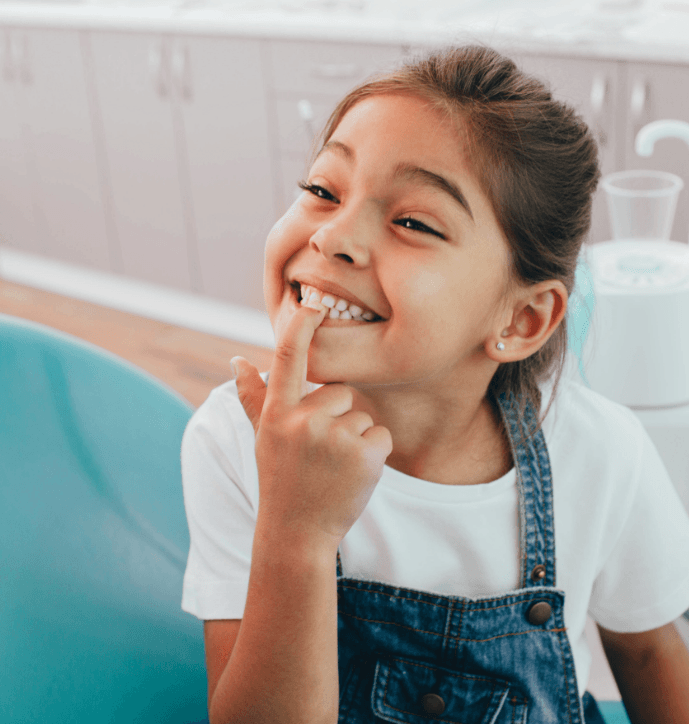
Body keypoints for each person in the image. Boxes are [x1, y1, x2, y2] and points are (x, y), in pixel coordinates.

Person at [180, 45, 689, 724]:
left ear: (521, 318)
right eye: (323, 190)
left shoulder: (603, 454)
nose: (332, 236)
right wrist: (295, 532)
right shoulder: (233, 441)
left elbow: (653, 659)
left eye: (413, 222)